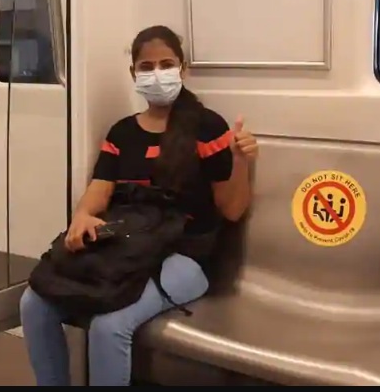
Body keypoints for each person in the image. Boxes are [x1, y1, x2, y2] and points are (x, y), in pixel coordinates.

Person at [19, 25, 259, 386]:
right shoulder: (122, 133)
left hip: (186, 257)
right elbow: (99, 190)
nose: (156, 74)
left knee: (109, 325)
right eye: (146, 67)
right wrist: (82, 216)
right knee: (33, 303)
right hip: (131, 247)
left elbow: (232, 210)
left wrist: (239, 162)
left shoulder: (207, 127)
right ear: (134, 74)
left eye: (166, 64)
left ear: (183, 69)